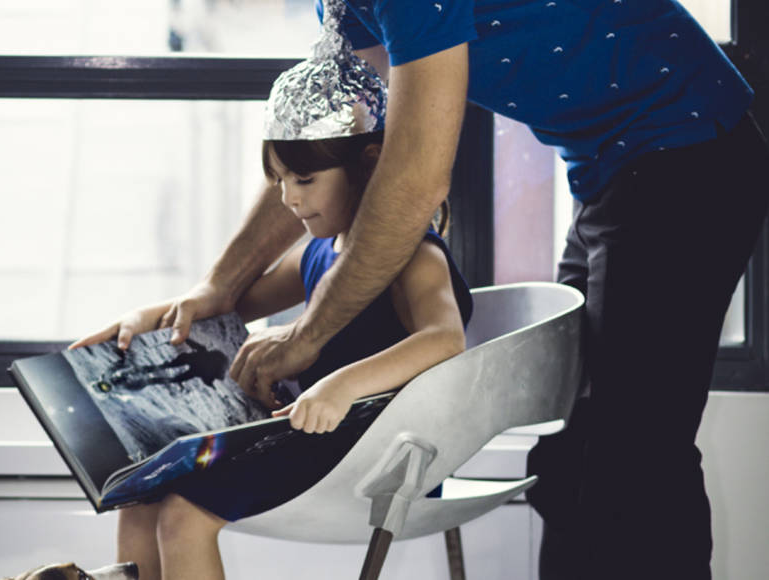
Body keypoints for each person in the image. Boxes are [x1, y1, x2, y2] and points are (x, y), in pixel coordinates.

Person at [80, 1, 769, 578]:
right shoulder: (344, 8)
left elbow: (411, 176)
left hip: (686, 151)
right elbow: (319, 152)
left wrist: (309, 338)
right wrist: (217, 289)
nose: (296, 198)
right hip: (610, 169)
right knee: (571, 457)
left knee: (636, 454)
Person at [72, 25, 474, 579]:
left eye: (304, 178)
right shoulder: (319, 250)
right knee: (143, 492)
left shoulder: (414, 254)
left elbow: (445, 340)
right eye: (280, 180)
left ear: (369, 163)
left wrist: (341, 385)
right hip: (305, 433)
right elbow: (235, 305)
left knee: (184, 516)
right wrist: (152, 317)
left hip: (378, 451)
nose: (289, 198)